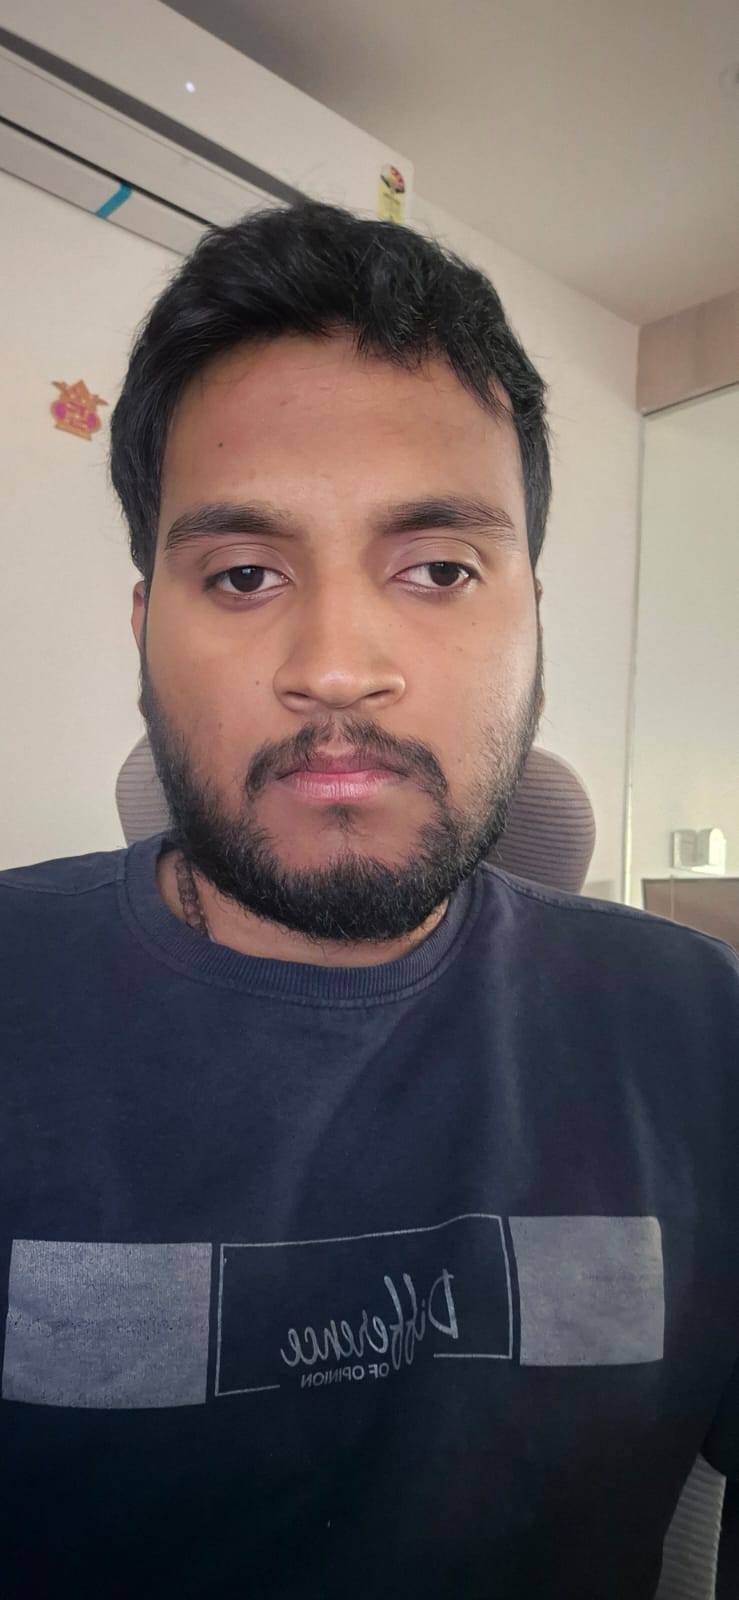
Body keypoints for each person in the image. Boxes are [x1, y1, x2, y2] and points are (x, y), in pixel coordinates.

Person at [1, 201, 737, 1600]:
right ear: (143, 632)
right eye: (244, 574)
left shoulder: (704, 1031)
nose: (337, 666)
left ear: (535, 622)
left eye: (439, 569)